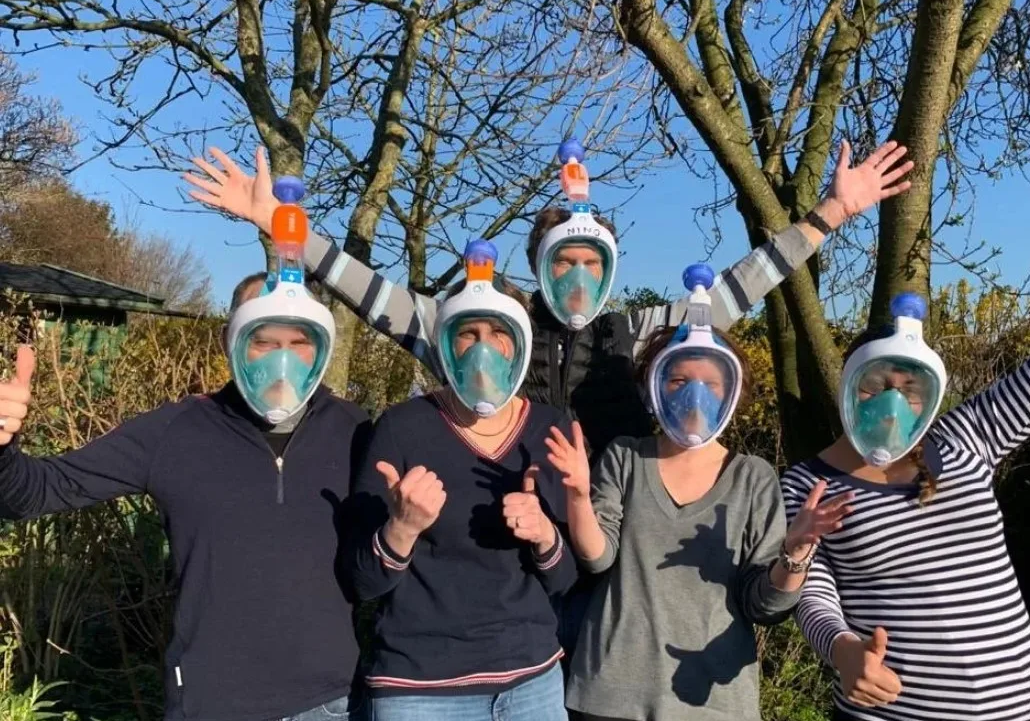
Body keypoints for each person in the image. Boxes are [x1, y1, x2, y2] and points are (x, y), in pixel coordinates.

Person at [184, 137, 914, 656]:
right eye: (561, 258)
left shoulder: (645, 334)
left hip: (610, 562)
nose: (575, 275)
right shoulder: (490, 328)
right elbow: (380, 300)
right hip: (506, 566)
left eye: (589, 260)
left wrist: (832, 215)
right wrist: (286, 230)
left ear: (611, 266)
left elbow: (740, 286)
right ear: (537, 261)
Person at [0, 271, 369, 721]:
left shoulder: (354, 430)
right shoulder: (174, 433)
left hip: (335, 717)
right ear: (231, 339)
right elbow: (34, 492)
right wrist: (2, 445)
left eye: (299, 341)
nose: (283, 359)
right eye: (263, 340)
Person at [780, 284, 1030, 721]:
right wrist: (843, 650)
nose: (892, 403)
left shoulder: (966, 438)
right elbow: (813, 593)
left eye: (909, 388)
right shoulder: (806, 484)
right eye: (875, 385)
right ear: (848, 385)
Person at [543, 265, 854, 721]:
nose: (695, 395)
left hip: (716, 713)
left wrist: (795, 554)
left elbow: (764, 606)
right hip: (609, 704)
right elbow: (598, 558)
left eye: (712, 383)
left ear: (732, 392)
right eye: (680, 379)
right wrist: (578, 495)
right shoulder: (625, 456)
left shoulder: (753, 478)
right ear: (654, 384)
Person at [346, 240, 577, 721]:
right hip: (420, 696)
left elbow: (565, 580)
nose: (483, 349)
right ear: (444, 342)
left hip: (533, 691)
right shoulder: (401, 428)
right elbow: (361, 582)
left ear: (520, 343)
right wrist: (400, 530)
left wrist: (544, 534)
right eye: (467, 333)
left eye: (498, 335)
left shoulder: (549, 429)